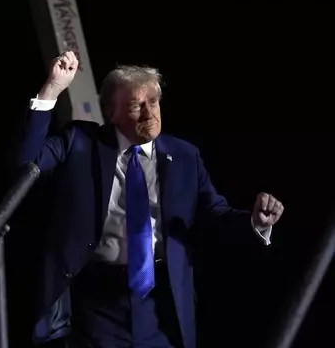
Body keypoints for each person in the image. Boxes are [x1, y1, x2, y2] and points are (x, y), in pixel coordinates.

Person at [15, 51, 284, 348]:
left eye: (153, 102)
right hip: (97, 302)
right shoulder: (80, 141)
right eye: (136, 106)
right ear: (112, 113)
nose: (149, 113)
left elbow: (214, 211)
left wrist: (255, 222)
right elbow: (26, 162)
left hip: (161, 304)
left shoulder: (184, 156)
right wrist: (51, 89)